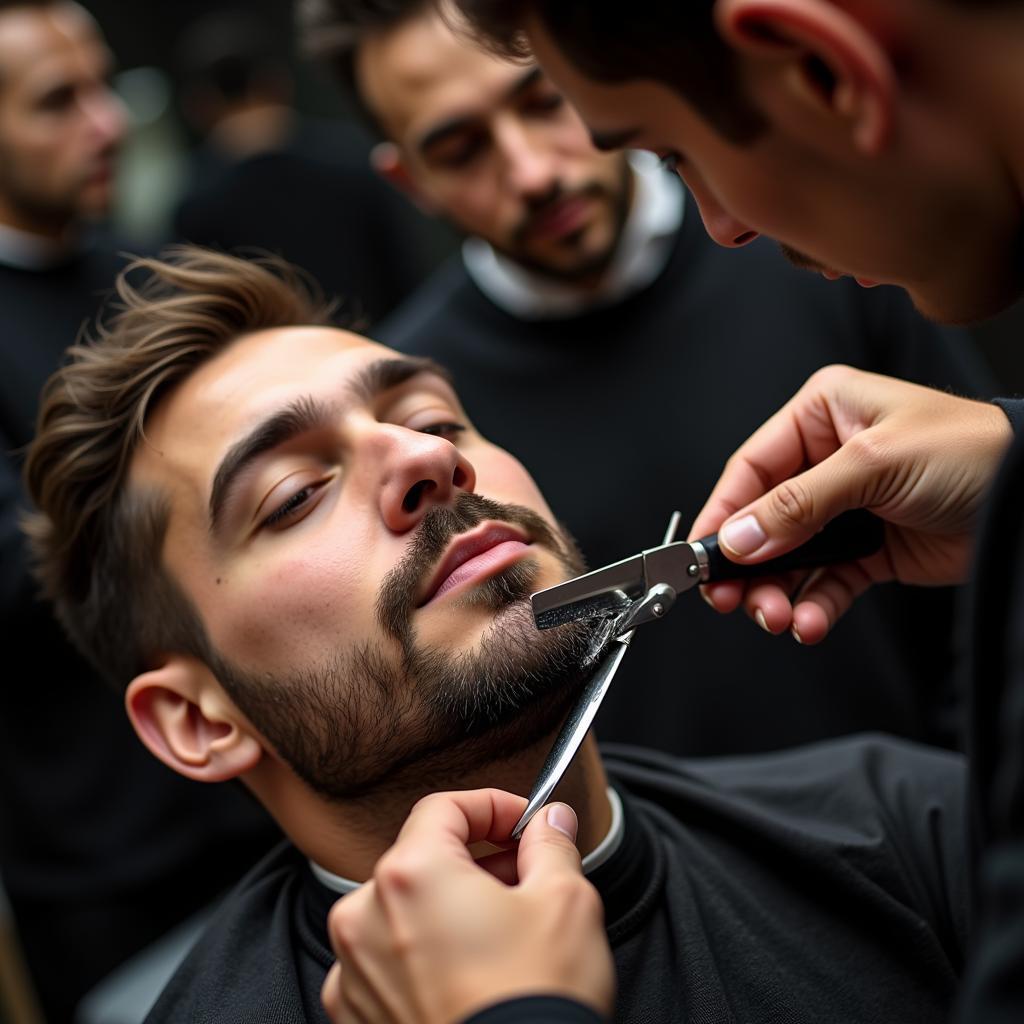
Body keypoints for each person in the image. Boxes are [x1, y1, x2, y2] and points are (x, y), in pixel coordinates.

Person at [23, 246, 973, 1023]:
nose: (429, 457)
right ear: (200, 720)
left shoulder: (902, 826)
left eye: (435, 416)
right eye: (295, 495)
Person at [313, 1, 1024, 1020]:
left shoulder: (833, 253)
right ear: (409, 180)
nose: (532, 171)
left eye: (550, 107)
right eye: (460, 147)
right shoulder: (425, 411)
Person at [0, 3, 280, 1019]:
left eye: (103, 85)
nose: (110, 121)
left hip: (263, 790)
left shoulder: (141, 275)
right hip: (106, 860)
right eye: (56, 102)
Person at [172, 7, 447, 327]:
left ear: (198, 106)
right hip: (388, 348)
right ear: (278, 82)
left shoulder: (194, 206)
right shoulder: (353, 159)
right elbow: (406, 274)